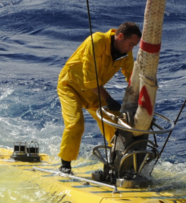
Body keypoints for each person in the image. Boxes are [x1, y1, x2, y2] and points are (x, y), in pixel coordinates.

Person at [57, 22, 141, 174]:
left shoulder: (125, 52)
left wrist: (141, 97)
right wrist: (109, 100)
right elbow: (90, 82)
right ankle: (65, 165)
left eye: (134, 46)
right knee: (76, 123)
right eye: (130, 44)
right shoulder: (96, 41)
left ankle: (118, 162)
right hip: (70, 86)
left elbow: (131, 76)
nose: (131, 49)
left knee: (116, 124)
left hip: (93, 93)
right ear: (120, 36)